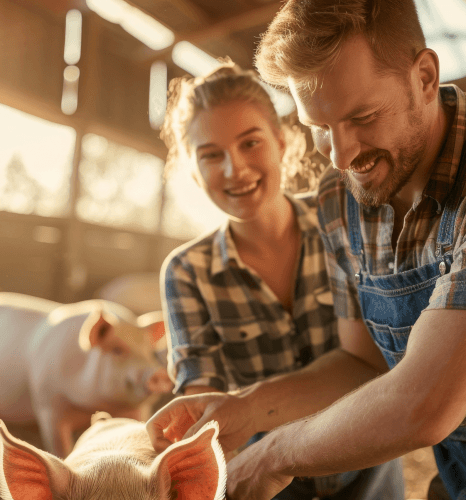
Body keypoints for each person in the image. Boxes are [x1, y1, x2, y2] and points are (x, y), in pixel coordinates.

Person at [148, 2, 466, 499]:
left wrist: (273, 456)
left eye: (362, 117)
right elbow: (364, 361)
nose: (341, 155)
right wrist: (244, 409)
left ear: (424, 76)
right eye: (320, 129)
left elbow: (425, 404)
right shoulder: (341, 198)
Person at [157, 62, 405, 499]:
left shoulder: (345, 218)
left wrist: (244, 409)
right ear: (193, 171)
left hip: (368, 469)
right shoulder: (186, 272)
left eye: (250, 142)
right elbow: (203, 404)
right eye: (211, 155)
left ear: (283, 143)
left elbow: (373, 364)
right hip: (262, 483)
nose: (235, 169)